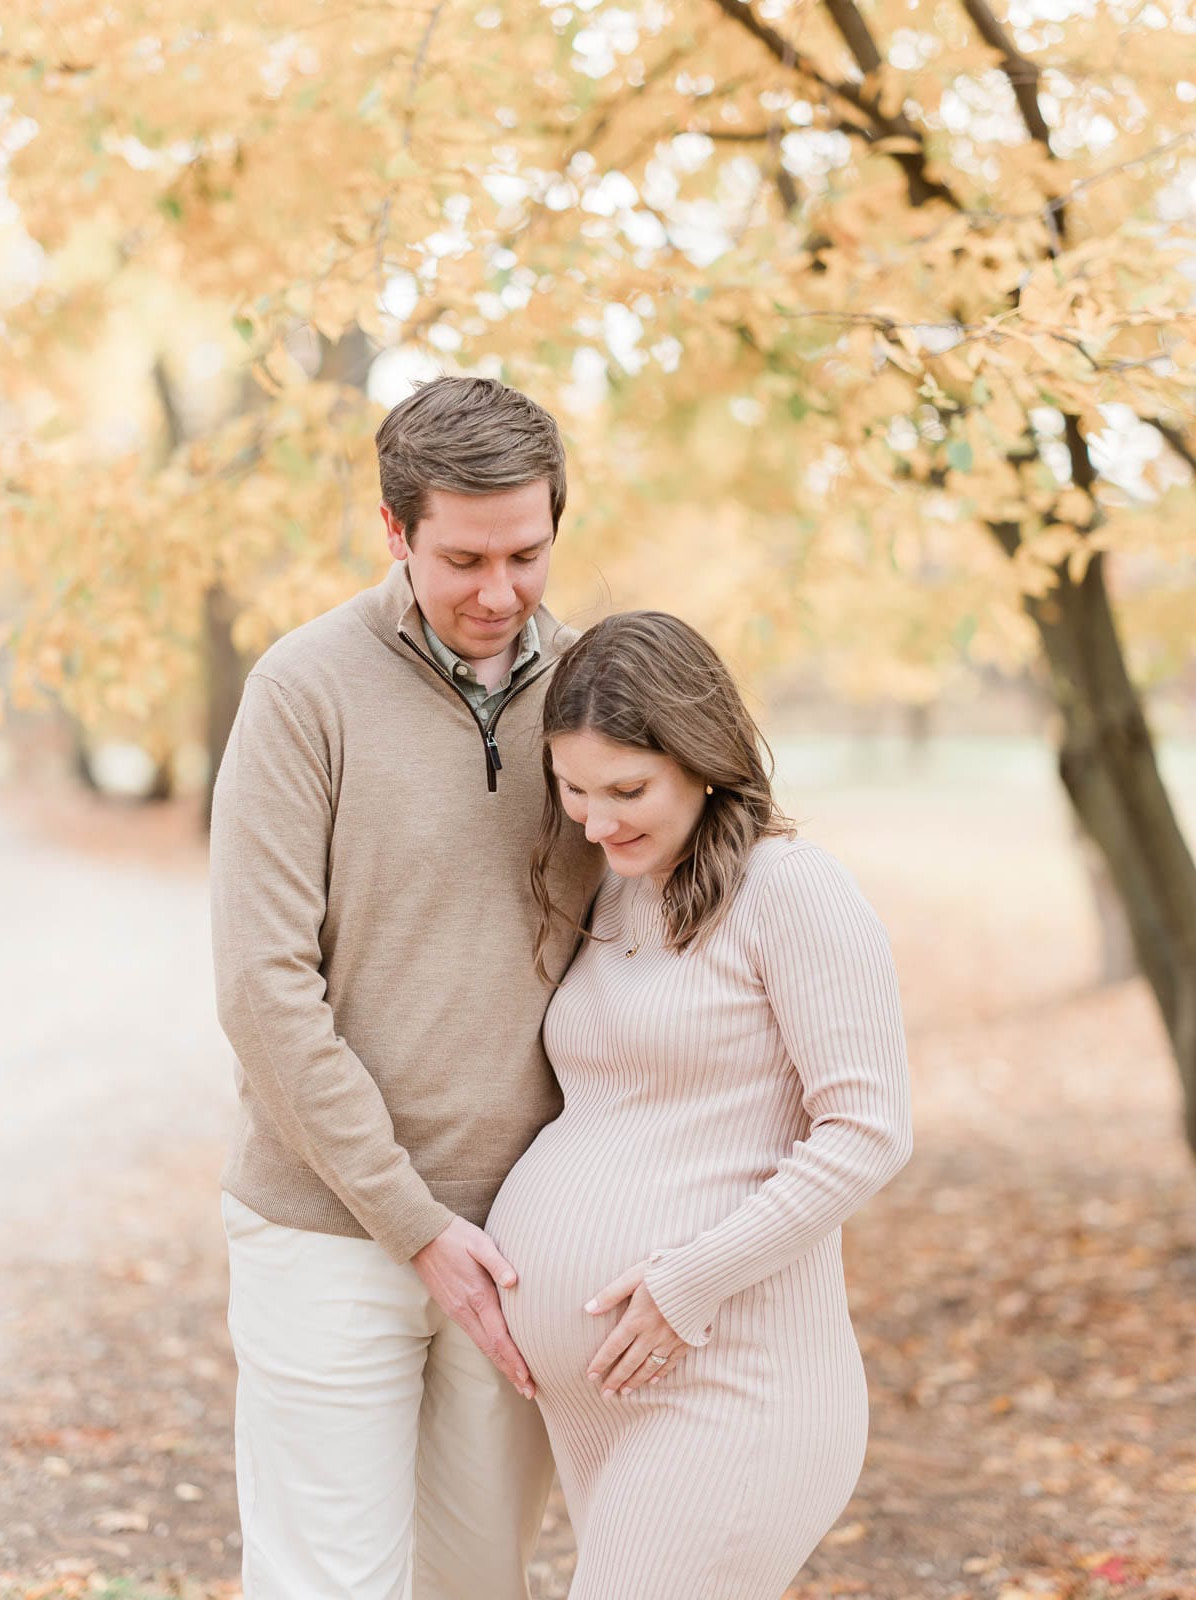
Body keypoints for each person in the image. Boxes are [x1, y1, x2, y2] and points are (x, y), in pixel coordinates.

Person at [209, 375, 603, 1600]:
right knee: (328, 1581)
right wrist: (413, 1221)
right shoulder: (303, 690)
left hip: (527, 1240)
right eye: (463, 558)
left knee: (481, 1581)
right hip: (326, 1229)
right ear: (395, 531)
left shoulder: (599, 690)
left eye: (527, 554)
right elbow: (264, 990)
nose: (498, 593)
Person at [486, 610, 913, 1600]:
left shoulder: (790, 891)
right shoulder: (619, 890)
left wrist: (691, 1280)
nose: (598, 822)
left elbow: (869, 1129)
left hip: (734, 1386)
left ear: (704, 755)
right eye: (575, 791)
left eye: (628, 790)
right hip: (611, 1405)